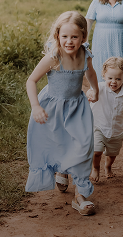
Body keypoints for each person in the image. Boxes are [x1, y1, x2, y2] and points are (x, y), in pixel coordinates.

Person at [25, 11, 99, 216]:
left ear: (83, 37)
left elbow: (90, 72)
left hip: (77, 106)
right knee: (59, 142)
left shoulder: (85, 53)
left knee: (83, 146)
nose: (69, 41)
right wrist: (35, 106)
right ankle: (62, 170)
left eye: (74, 37)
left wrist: (95, 88)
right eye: (64, 36)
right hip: (54, 108)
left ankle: (80, 196)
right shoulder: (53, 57)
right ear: (58, 35)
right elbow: (31, 81)